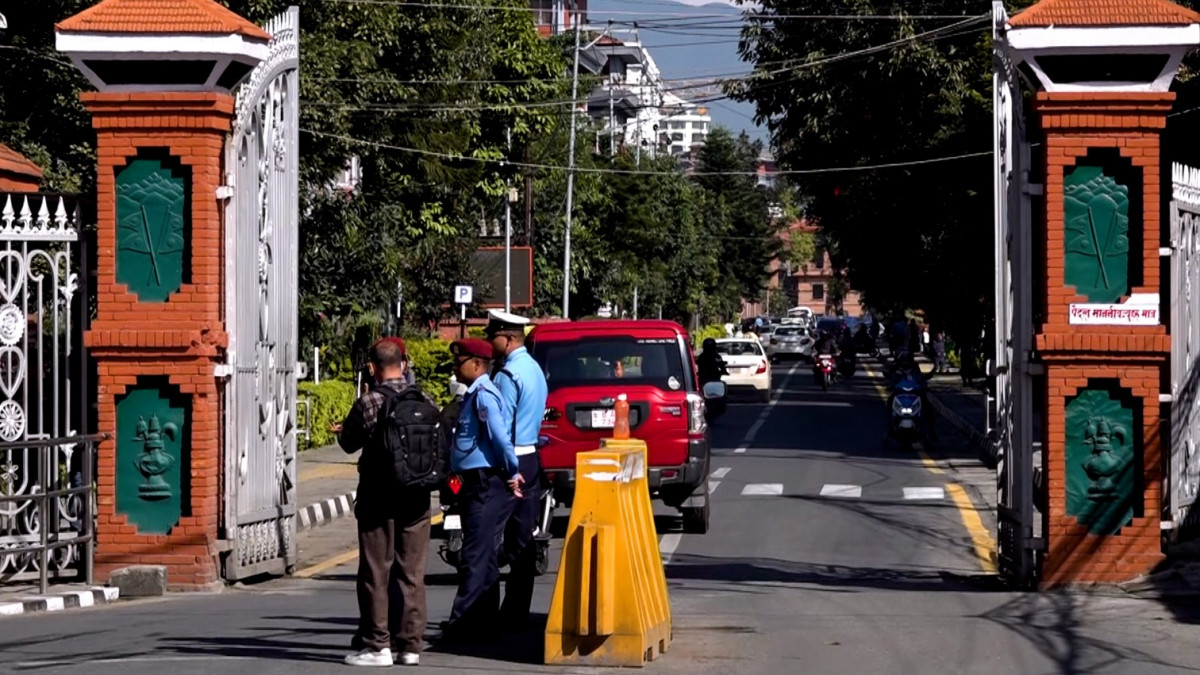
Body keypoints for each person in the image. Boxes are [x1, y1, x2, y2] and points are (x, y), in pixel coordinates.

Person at [338, 338, 438, 667]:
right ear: (404, 365)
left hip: (378, 497)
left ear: (372, 368)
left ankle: (377, 645)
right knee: (412, 573)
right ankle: (410, 646)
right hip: (417, 496)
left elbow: (348, 443)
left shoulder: (369, 402)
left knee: (375, 572)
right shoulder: (426, 398)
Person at [441, 338, 523, 643]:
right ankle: (486, 622)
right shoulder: (472, 396)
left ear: (477, 365)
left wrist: (513, 472)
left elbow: (501, 439)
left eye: (460, 362)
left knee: (473, 556)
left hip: (485, 484)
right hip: (472, 484)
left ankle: (460, 626)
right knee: (484, 555)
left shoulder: (484, 396)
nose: (455, 367)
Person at [486, 310, 549, 628]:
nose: (489, 342)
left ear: (508, 338)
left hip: (511, 463)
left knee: (487, 537)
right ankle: (517, 611)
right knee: (522, 540)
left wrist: (507, 471)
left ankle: (483, 615)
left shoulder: (508, 375)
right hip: (531, 458)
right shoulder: (534, 369)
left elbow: (502, 427)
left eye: (492, 336)